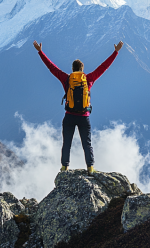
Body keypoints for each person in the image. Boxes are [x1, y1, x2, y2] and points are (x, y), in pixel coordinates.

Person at [33, 40, 124, 175]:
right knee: (87, 143)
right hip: (84, 117)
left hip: (69, 116)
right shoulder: (88, 79)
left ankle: (64, 167)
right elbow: (103, 67)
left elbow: (51, 67)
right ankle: (90, 168)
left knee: (67, 143)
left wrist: (40, 52)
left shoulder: (67, 79)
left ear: (73, 69)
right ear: (82, 69)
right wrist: (115, 52)